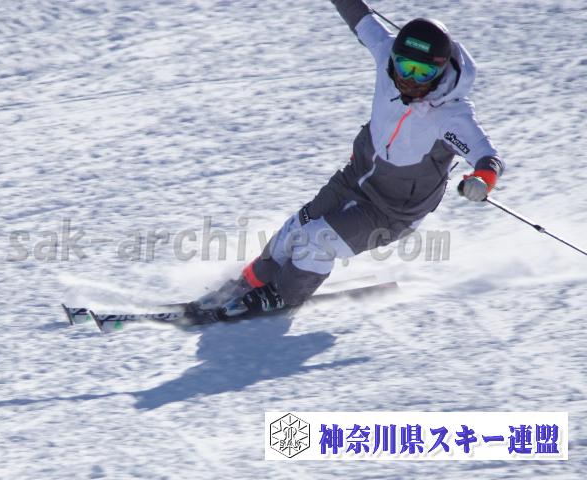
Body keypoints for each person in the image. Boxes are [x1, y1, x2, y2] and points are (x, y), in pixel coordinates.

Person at [190, 0, 505, 319]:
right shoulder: (385, 52)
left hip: (393, 210)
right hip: (354, 178)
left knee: (318, 240)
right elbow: (360, 17)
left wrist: (482, 181)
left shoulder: (452, 115)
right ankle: (251, 281)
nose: (410, 79)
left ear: (440, 70)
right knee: (294, 230)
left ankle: (283, 295)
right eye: (405, 67)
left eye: (423, 72)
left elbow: (488, 157)